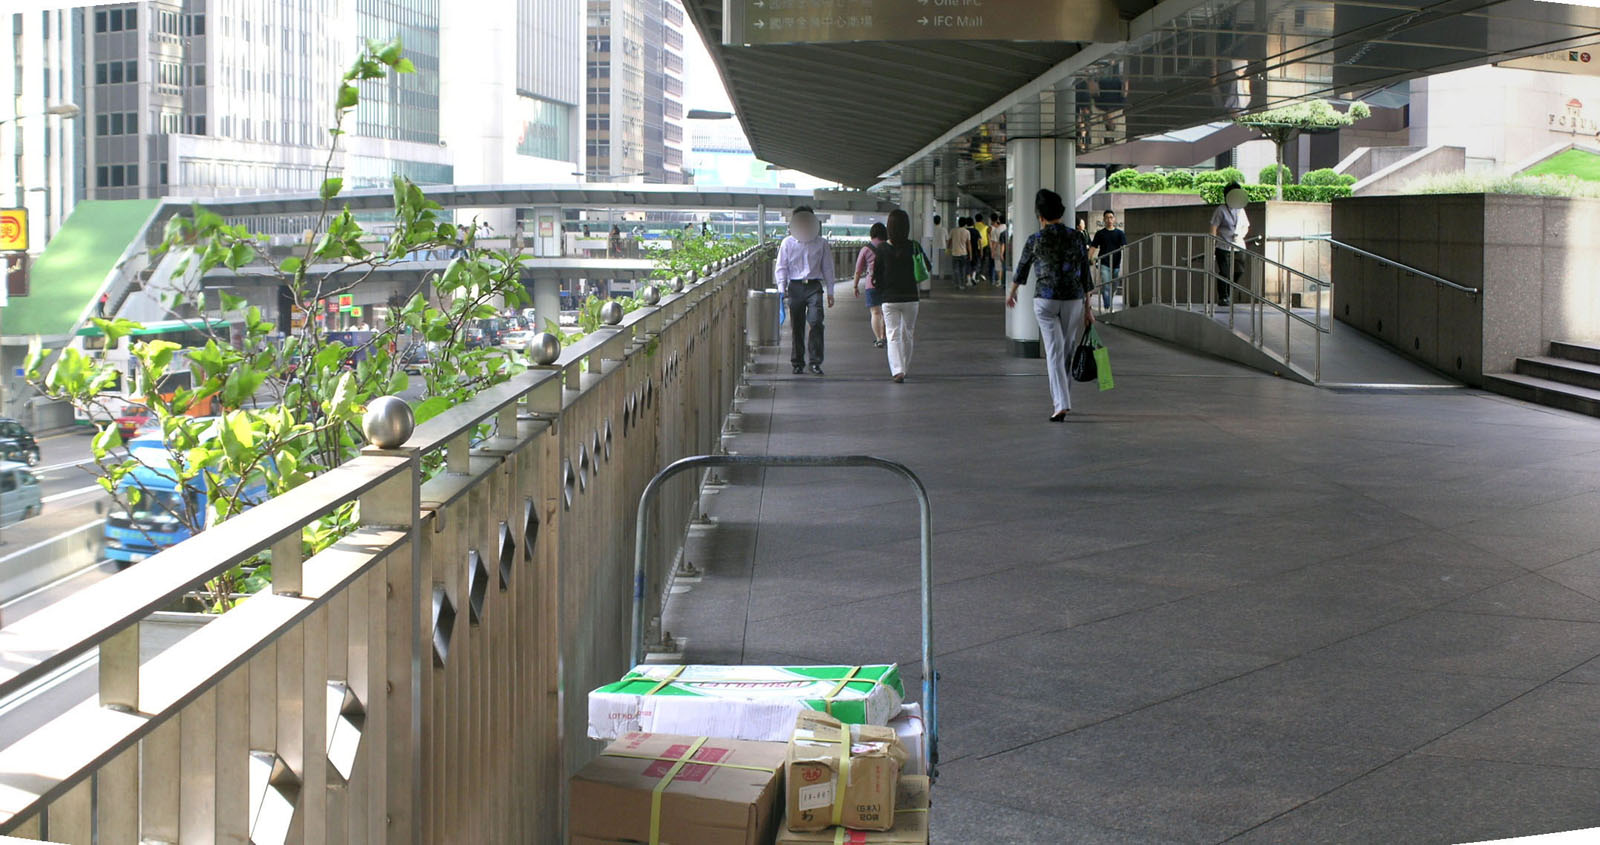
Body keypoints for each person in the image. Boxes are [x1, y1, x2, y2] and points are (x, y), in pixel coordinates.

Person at [1007, 188, 1094, 422]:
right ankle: (1063, 401)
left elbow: (1022, 268)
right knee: (1066, 349)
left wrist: (1012, 293)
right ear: (1062, 213)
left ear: (1040, 216)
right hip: (1073, 299)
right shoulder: (1076, 237)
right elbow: (1085, 273)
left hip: (1045, 299)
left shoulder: (1035, 239)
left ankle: (1061, 403)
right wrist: (1089, 308)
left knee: (1054, 351)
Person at [774, 206, 835, 375]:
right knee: (797, 325)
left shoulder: (821, 243)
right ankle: (797, 362)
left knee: (816, 321)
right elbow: (781, 267)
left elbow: (828, 268)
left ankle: (815, 361)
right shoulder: (787, 243)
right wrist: (781, 288)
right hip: (795, 286)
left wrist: (830, 291)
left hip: (814, 286)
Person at [871, 209, 923, 383]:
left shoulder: (882, 248)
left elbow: (876, 274)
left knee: (892, 334)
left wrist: (881, 289)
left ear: (889, 227)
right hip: (910, 296)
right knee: (908, 333)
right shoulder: (914, 246)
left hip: (889, 298)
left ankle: (897, 370)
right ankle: (905, 367)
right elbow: (926, 267)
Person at [1209, 182, 1250, 307]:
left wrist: (1241, 235)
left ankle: (1229, 291)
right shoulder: (1221, 210)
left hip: (1239, 245)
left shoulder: (1241, 210)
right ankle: (1223, 296)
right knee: (1225, 272)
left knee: (1239, 270)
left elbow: (1246, 226)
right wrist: (1212, 243)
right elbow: (1213, 227)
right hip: (1223, 246)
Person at [853, 222, 889, 348]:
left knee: (875, 313)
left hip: (871, 283)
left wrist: (855, 285)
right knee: (886, 312)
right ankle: (885, 336)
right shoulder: (889, 246)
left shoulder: (866, 249)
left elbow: (858, 270)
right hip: (887, 283)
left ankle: (879, 339)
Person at [1088, 209, 1127, 311]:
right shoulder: (1100, 233)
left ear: (1114, 219)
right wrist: (1089, 258)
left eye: (1111, 217)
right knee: (1106, 286)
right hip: (1104, 263)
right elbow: (1093, 247)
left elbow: (1124, 246)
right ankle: (1107, 307)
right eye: (1107, 218)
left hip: (1116, 263)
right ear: (1104, 220)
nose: (1109, 220)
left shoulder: (1120, 233)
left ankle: (1108, 302)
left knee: (1114, 286)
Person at [947, 216, 971, 290]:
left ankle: (957, 284)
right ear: (965, 224)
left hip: (955, 253)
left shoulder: (953, 231)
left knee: (956, 269)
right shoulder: (967, 232)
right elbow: (968, 244)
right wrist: (971, 254)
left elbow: (949, 241)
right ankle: (962, 285)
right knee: (963, 269)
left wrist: (948, 248)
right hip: (964, 253)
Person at [988, 213, 1007, 286]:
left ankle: (999, 281)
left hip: (999, 248)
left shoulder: (996, 230)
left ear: (999, 220)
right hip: (1007, 248)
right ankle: (1004, 280)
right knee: (1005, 265)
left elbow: (995, 242)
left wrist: (992, 251)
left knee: (999, 266)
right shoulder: (1007, 227)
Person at [972, 214, 991, 285]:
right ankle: (981, 273)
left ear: (975, 219)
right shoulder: (986, 227)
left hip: (976, 246)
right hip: (985, 245)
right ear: (982, 219)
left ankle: (976, 275)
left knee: (977, 260)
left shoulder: (974, 226)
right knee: (984, 260)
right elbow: (988, 237)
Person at [930, 213, 947, 280]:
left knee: (934, 261)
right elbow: (947, 239)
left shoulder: (932, 229)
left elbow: (930, 239)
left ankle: (934, 274)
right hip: (942, 247)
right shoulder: (944, 229)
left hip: (934, 247)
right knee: (942, 263)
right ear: (940, 221)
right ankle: (941, 276)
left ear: (934, 221)